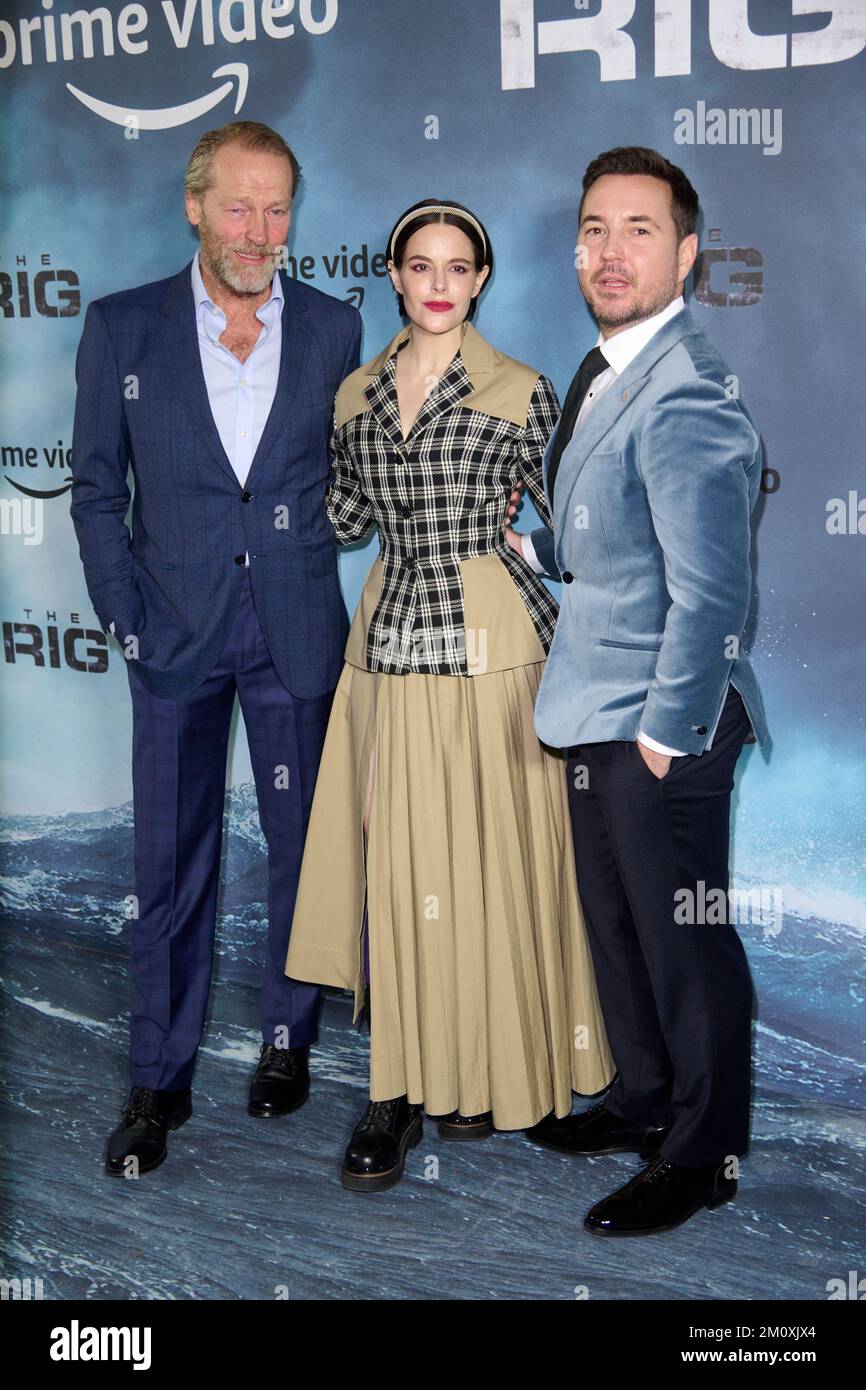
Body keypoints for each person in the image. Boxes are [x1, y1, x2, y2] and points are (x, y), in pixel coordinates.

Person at [285, 199, 614, 1191]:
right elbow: (345, 518)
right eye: (420, 265)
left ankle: (504, 1070)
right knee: (403, 871)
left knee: (498, 867)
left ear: (480, 279)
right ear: (392, 274)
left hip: (496, 648)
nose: (438, 282)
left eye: (457, 266)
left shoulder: (523, 389)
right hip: (390, 646)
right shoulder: (353, 394)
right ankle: (396, 1091)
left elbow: (576, 526)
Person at [70, 121, 361, 1176]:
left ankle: (288, 1038)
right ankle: (159, 1076)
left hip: (295, 630)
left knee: (303, 853)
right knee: (169, 866)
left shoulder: (333, 326)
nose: (259, 231)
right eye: (238, 206)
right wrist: (128, 617)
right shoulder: (123, 327)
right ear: (194, 206)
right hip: (174, 636)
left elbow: (349, 479)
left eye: (277, 209)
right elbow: (95, 489)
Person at [506, 146, 768, 1236]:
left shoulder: (688, 387)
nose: (611, 252)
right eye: (594, 230)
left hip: (664, 717)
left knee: (684, 942)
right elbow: (620, 541)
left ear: (687, 254)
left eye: (640, 230)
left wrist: (667, 734)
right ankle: (645, 1100)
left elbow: (712, 589)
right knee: (619, 931)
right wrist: (537, 549)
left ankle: (701, 1154)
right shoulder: (604, 365)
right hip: (594, 707)